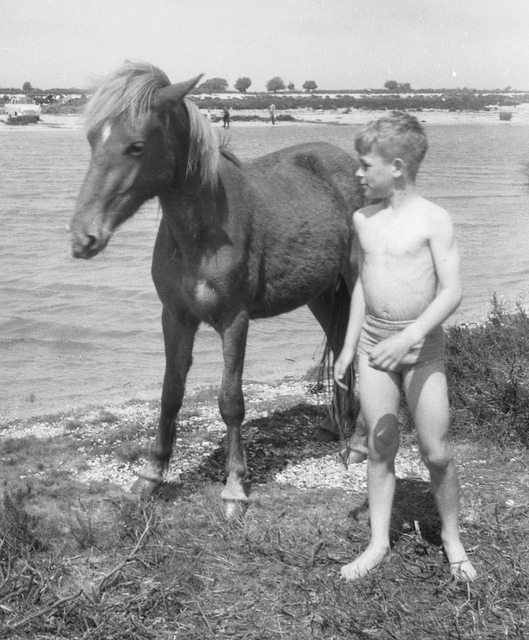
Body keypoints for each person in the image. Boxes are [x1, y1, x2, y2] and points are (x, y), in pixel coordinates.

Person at [334, 112, 476, 582]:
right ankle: (378, 542)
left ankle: (452, 539)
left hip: (421, 348)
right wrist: (350, 346)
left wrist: (409, 337)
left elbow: (452, 292)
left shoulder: (434, 219)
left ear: (396, 167)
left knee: (436, 451)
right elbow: (362, 284)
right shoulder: (363, 219)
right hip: (375, 346)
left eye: (364, 165)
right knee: (381, 446)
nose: (358, 173)